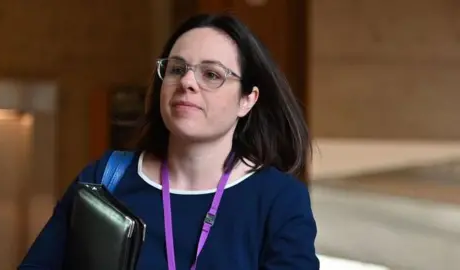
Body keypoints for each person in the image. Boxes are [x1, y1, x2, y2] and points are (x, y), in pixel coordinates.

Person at [19, 13, 319, 270]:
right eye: (176, 69)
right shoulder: (105, 180)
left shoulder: (278, 199)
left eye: (211, 74)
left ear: (247, 100)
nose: (187, 82)